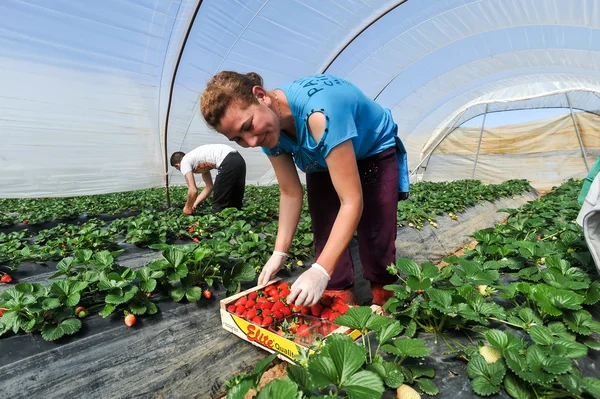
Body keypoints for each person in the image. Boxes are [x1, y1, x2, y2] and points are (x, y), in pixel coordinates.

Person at [200, 72, 409, 307]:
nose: (250, 142)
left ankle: (385, 296)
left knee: (375, 229)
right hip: (322, 153)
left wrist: (319, 270)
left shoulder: (321, 112)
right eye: (237, 138)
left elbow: (351, 201)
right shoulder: (268, 130)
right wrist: (279, 253)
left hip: (371, 147)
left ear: (260, 96)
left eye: (248, 126)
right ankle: (338, 296)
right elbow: (290, 192)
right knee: (324, 224)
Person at [170, 144, 246, 214]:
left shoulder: (184, 162)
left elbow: (193, 190)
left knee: (218, 205)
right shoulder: (197, 158)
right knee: (235, 202)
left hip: (227, 161)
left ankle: (220, 227)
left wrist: (187, 207)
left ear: (177, 166)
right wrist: (194, 203)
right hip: (238, 159)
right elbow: (209, 186)